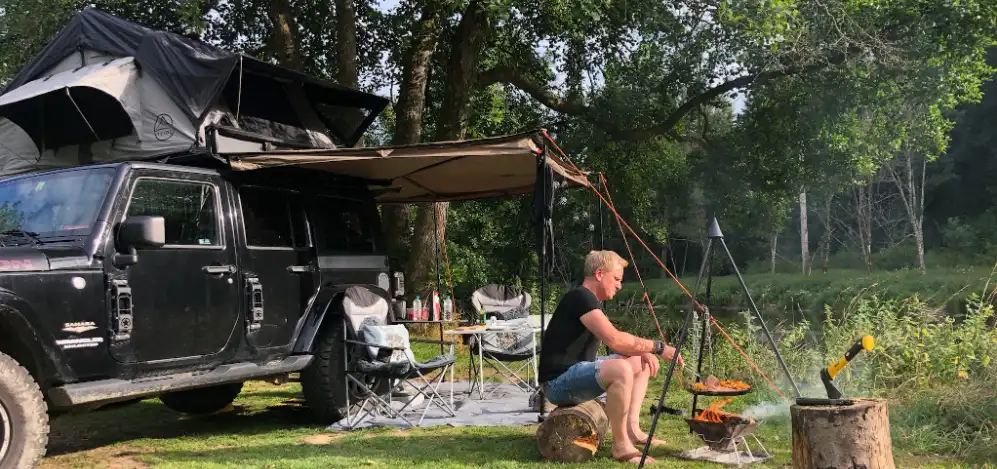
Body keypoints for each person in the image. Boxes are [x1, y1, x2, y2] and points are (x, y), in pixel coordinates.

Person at [538, 250, 684, 464]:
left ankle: (632, 430)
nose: (619, 285)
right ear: (599, 274)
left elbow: (615, 339)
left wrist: (643, 351)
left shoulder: (589, 300)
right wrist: (659, 347)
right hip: (558, 383)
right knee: (621, 369)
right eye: (616, 278)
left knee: (639, 361)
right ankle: (621, 446)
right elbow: (614, 340)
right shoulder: (580, 298)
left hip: (575, 374)